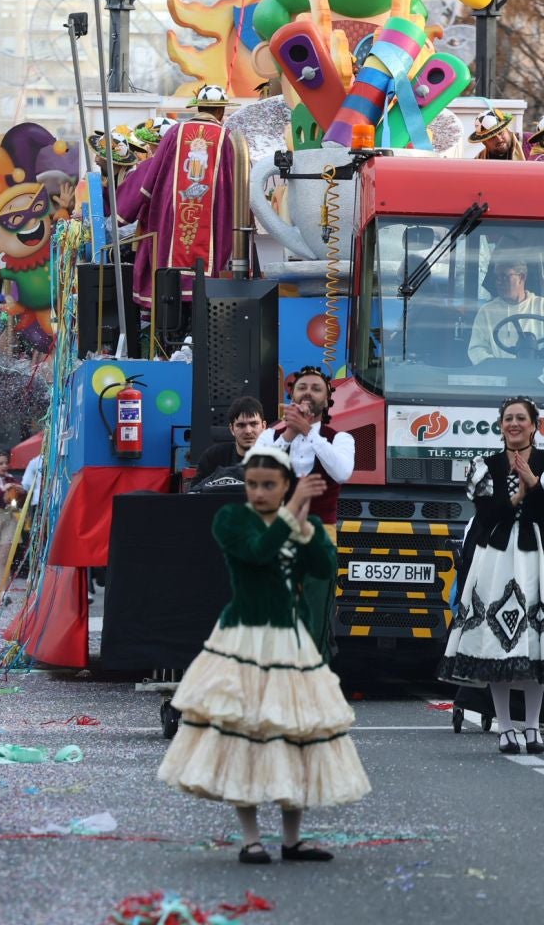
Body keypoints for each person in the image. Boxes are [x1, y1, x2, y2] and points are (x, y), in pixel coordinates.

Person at [157, 443, 370, 864]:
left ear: (286, 485)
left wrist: (309, 531)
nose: (257, 493)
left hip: (290, 640)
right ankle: (251, 839)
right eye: (252, 484)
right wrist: (293, 514)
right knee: (247, 732)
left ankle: (292, 839)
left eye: (268, 485)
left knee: (295, 733)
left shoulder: (297, 521)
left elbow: (324, 570)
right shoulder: (232, 519)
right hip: (244, 638)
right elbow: (257, 554)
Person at [441, 398, 544, 755]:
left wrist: (533, 481)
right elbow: (488, 517)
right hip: (497, 558)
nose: (514, 424)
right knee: (498, 639)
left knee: (536, 638)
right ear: (500, 425)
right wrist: (518, 495)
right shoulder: (483, 465)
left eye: (522, 418)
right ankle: (505, 727)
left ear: (536, 426)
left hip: (540, 559)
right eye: (508, 419)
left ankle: (532, 726)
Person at [257, 369, 354, 661]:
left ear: (327, 399)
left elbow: (342, 471)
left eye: (316, 388)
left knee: (316, 615)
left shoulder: (341, 439)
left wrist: (310, 432)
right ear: (292, 395)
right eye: (302, 388)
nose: (308, 393)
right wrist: (288, 435)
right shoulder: (268, 436)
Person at [468, 259, 544, 363]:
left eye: (505, 277)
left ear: (522, 277)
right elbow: (476, 348)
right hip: (498, 376)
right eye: (497, 277)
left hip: (537, 376)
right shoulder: (487, 311)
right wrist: (497, 367)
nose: (499, 282)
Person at [195, 396, 267, 476]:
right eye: (241, 425)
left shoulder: (277, 459)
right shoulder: (213, 457)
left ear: (263, 426)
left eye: (253, 424)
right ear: (232, 429)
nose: (248, 431)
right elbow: (196, 488)